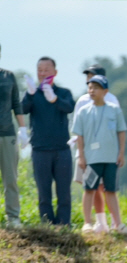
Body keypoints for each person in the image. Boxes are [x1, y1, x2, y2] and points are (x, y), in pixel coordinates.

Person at [21, 56, 75, 225]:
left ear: (55, 72)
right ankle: (47, 225)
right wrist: (30, 95)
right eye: (40, 70)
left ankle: (64, 224)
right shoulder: (33, 93)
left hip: (62, 149)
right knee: (44, 193)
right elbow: (22, 109)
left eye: (46, 70)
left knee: (64, 191)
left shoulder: (63, 93)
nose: (43, 73)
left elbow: (69, 107)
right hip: (40, 150)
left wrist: (54, 99)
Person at [72, 75, 127, 233]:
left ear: (105, 91)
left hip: (110, 158)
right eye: (90, 87)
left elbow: (121, 132)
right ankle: (87, 223)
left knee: (111, 190)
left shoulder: (114, 109)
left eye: (96, 88)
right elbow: (79, 135)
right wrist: (82, 156)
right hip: (92, 158)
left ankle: (118, 223)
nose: (92, 91)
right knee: (89, 189)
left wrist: (121, 153)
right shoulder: (83, 111)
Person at [0, 44, 28, 227]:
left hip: (6, 133)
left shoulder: (8, 76)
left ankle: (13, 217)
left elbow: (16, 104)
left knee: (10, 178)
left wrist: (23, 129)